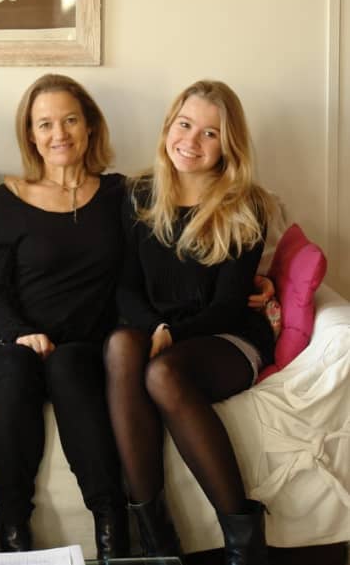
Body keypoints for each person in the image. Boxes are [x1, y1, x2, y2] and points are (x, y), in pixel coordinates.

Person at [104, 80, 277, 565]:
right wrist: (156, 329)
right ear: (168, 127)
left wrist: (173, 334)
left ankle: (245, 547)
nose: (191, 141)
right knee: (121, 346)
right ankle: (157, 547)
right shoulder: (138, 194)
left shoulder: (246, 204)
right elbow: (125, 287)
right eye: (185, 125)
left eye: (210, 133)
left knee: (163, 373)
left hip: (225, 336)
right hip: (159, 332)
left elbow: (228, 305)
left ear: (228, 145)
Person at [0, 74, 127, 560]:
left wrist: (258, 276)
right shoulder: (8, 198)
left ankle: (112, 532)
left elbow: (165, 253)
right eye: (45, 124)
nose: (59, 133)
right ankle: (13, 532)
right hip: (16, 343)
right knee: (14, 367)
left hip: (85, 345)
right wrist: (21, 334)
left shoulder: (119, 194)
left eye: (70, 120)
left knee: (68, 365)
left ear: (89, 125)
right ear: (31, 134)